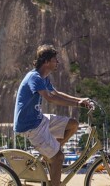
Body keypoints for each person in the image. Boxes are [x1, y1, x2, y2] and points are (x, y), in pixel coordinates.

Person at [13, 45, 95, 186]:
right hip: (30, 126)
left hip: (39, 119)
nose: (57, 62)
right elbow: (50, 98)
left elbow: (56, 93)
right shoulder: (35, 77)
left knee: (73, 124)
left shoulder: (44, 78)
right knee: (58, 158)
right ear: (46, 62)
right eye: (55, 60)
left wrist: (79, 101)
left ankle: (49, 154)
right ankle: (52, 159)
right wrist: (78, 105)